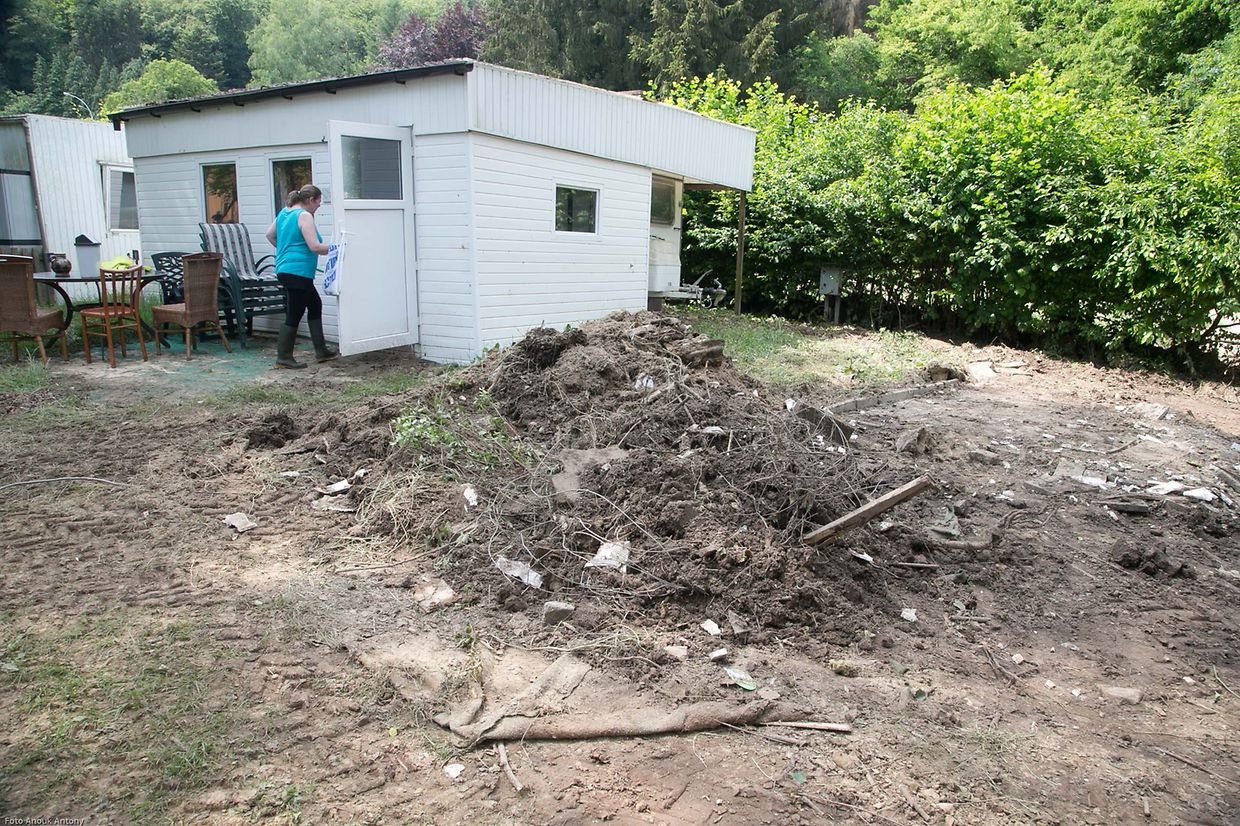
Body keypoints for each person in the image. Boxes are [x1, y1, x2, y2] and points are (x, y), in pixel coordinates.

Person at [265, 184, 337, 368]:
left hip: (287, 269)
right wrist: (338, 248)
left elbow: (270, 235)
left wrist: (285, 251)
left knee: (314, 304)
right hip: (298, 272)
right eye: (318, 202)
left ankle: (321, 351)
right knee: (295, 313)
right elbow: (315, 247)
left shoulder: (284, 213)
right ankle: (284, 357)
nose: (319, 206)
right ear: (310, 200)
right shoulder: (304, 216)